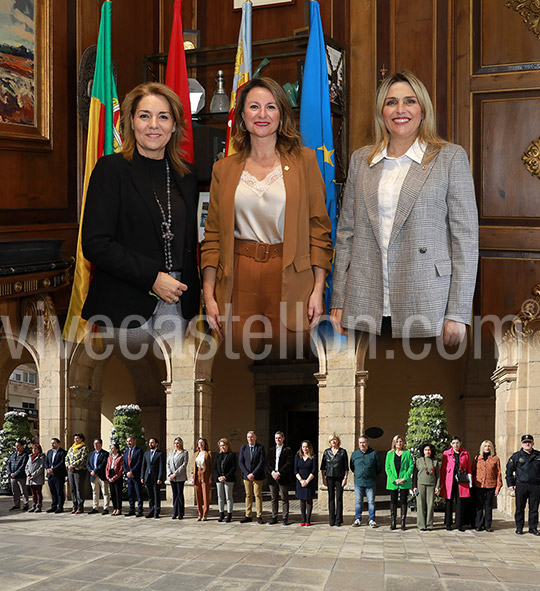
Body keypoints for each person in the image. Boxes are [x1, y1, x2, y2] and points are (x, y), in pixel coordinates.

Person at [330, 70, 478, 344]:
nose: (400, 110)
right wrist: (338, 298)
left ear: (423, 109)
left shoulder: (449, 158)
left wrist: (458, 313)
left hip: (427, 300)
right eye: (391, 102)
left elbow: (465, 241)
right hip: (366, 302)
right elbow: (346, 234)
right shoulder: (362, 160)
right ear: (381, 111)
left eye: (410, 101)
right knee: (367, 385)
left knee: (422, 385)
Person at [201, 76, 333, 357]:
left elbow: (319, 231)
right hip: (237, 278)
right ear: (242, 116)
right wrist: (209, 294)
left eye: (270, 107)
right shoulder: (223, 169)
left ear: (282, 114)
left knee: (291, 363)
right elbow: (212, 236)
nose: (262, 115)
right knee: (236, 365)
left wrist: (317, 290)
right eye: (254, 107)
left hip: (291, 278)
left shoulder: (305, 161)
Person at [81, 82, 200, 344]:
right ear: (131, 123)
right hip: (126, 304)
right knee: (130, 385)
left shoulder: (187, 176)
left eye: (163, 117)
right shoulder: (111, 170)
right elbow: (95, 244)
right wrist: (152, 278)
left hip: (178, 303)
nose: (154, 125)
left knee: (175, 383)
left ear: (174, 126)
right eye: (144, 115)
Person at [506, 434, 540, 536]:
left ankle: (533, 528)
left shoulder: (538, 455)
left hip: (536, 485)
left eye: (529, 442)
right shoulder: (516, 456)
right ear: (522, 444)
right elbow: (509, 471)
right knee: (520, 507)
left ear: (533, 443)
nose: (527, 444)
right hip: (521, 485)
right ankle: (519, 527)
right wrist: (510, 484)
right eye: (525, 442)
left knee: (534, 509)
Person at [440, 436, 472, 531]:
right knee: (449, 502)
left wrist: (470, 482)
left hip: (461, 481)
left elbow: (468, 468)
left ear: (460, 443)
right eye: (453, 443)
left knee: (460, 502)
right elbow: (443, 469)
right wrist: (442, 482)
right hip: (449, 481)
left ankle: (459, 524)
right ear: (451, 444)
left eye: (457, 442)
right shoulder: (446, 454)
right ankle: (448, 523)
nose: (455, 445)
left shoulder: (465, 453)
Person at [350, 434, 383, 528]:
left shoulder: (374, 454)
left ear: (368, 443)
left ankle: (372, 519)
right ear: (358, 443)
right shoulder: (354, 454)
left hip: (370, 482)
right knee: (358, 501)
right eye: (360, 442)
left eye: (364, 442)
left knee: (371, 501)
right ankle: (358, 519)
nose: (362, 444)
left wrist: (372, 474)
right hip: (358, 481)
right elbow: (352, 467)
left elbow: (379, 467)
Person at [472, 439, 502, 532]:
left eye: (489, 446)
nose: (487, 448)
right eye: (485, 446)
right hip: (479, 485)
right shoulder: (477, 458)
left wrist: (498, 487)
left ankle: (487, 525)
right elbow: (473, 471)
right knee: (479, 506)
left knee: (488, 506)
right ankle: (478, 524)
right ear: (482, 447)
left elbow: (499, 473)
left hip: (491, 485)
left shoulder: (495, 459)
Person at [385, 435, 414, 530]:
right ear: (394, 442)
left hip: (403, 481)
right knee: (393, 501)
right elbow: (387, 468)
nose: (399, 443)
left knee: (403, 501)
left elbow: (411, 466)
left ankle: (403, 521)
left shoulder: (407, 453)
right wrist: (394, 479)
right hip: (393, 481)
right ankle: (393, 521)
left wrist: (404, 478)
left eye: (400, 441)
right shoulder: (389, 454)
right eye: (397, 441)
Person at [320, 433, 349, 527]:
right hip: (329, 477)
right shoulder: (326, 452)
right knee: (331, 498)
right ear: (329, 442)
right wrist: (323, 479)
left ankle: (338, 520)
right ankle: (331, 519)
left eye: (335, 439)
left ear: (338, 441)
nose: (333, 441)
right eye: (332, 440)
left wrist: (345, 478)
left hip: (339, 477)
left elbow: (346, 467)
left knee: (339, 498)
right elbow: (322, 467)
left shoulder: (342, 452)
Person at [265, 431, 293, 525]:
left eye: (279, 438)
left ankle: (285, 518)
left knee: (284, 498)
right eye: (276, 438)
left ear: (283, 438)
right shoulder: (271, 450)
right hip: (272, 478)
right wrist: (273, 472)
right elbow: (267, 464)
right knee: (274, 498)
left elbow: (288, 464)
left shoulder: (287, 450)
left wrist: (279, 473)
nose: (278, 439)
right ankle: (274, 517)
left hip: (283, 477)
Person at [239, 430, 266, 524]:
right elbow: (241, 462)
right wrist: (247, 473)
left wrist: (253, 473)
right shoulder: (243, 448)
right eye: (248, 437)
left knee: (258, 495)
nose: (250, 439)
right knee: (248, 495)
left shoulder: (260, 447)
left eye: (251, 437)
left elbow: (261, 462)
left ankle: (259, 515)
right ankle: (248, 515)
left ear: (255, 438)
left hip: (257, 476)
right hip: (247, 476)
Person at [412, 443, 440, 531]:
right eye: (425, 450)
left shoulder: (435, 462)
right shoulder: (418, 460)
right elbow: (415, 475)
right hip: (420, 485)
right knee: (420, 505)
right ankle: (421, 525)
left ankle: (429, 524)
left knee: (430, 505)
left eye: (429, 450)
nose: (427, 451)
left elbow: (438, 476)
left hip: (431, 485)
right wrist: (414, 486)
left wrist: (437, 486)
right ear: (423, 451)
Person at [141, 438, 166, 519]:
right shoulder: (146, 453)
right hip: (147, 477)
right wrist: (142, 477)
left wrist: (160, 478)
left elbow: (161, 467)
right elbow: (143, 466)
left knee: (156, 495)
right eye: (149, 442)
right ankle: (151, 511)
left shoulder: (160, 454)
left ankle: (157, 511)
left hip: (156, 478)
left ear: (156, 444)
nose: (150, 444)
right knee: (150, 496)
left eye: (152, 443)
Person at [294, 440, 317, 526]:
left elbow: (314, 470)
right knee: (302, 500)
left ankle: (308, 519)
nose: (305, 448)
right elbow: (295, 470)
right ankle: (303, 518)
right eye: (303, 447)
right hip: (300, 481)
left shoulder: (313, 457)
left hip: (309, 481)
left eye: (306, 447)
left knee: (309, 500)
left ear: (309, 447)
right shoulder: (298, 456)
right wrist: (301, 480)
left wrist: (307, 481)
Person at [213, 437, 236, 523]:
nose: (222, 447)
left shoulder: (232, 455)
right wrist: (219, 477)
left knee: (228, 497)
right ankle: (221, 514)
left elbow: (233, 468)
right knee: (220, 497)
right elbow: (214, 467)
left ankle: (229, 514)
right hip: (219, 479)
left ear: (227, 445)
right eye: (221, 446)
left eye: (224, 445)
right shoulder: (218, 455)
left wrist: (225, 477)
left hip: (228, 479)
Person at [65, 433, 88, 514]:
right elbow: (67, 458)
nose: (76, 440)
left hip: (79, 470)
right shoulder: (71, 448)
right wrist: (68, 465)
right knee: (72, 488)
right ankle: (74, 506)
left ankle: (80, 507)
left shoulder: (84, 448)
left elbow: (83, 459)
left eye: (77, 438)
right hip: (70, 471)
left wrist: (73, 465)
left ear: (81, 439)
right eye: (75, 438)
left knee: (79, 488)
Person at [86, 438, 110, 515]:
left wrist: (96, 471)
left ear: (101, 444)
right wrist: (91, 471)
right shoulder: (91, 454)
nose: (95, 445)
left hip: (101, 476)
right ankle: (95, 507)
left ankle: (106, 508)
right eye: (94, 443)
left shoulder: (105, 454)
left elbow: (103, 464)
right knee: (95, 492)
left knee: (105, 492)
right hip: (93, 476)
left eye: (97, 443)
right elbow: (88, 464)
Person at [167, 436, 189, 520]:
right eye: (175, 443)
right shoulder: (171, 453)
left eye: (178, 443)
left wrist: (175, 474)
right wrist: (169, 474)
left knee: (179, 495)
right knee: (174, 495)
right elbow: (168, 464)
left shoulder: (184, 453)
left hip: (180, 477)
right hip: (172, 477)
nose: (176, 445)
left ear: (181, 444)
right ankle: (174, 512)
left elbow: (184, 465)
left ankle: (180, 513)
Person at [192, 437, 213, 521]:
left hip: (205, 475)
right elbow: (193, 466)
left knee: (205, 495)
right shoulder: (196, 454)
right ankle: (199, 513)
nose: (200, 444)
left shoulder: (208, 453)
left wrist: (211, 476)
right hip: (197, 475)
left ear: (205, 444)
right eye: (199, 442)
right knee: (198, 495)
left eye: (202, 442)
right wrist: (193, 476)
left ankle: (205, 513)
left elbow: (211, 466)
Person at [123, 436, 144, 517]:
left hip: (136, 475)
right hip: (129, 476)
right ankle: (131, 509)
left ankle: (140, 510)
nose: (129, 443)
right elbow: (124, 463)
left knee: (138, 493)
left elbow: (139, 463)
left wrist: (132, 471)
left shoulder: (139, 451)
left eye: (130, 441)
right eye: (127, 441)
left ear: (134, 441)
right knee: (130, 493)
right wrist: (127, 472)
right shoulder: (126, 451)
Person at [45, 438, 67, 513]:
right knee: (53, 491)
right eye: (51, 443)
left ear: (58, 443)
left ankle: (60, 506)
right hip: (50, 475)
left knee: (59, 491)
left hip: (58, 475)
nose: (52, 444)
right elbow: (46, 462)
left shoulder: (63, 452)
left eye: (54, 443)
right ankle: (53, 506)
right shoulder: (49, 452)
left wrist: (53, 469)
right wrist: (48, 469)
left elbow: (62, 463)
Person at [7, 440, 29, 511]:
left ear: (22, 446)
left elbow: (23, 466)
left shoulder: (25, 455)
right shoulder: (13, 455)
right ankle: (17, 504)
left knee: (23, 491)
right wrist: (10, 473)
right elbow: (9, 464)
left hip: (21, 476)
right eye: (16, 446)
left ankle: (26, 504)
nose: (17, 447)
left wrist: (15, 473)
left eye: (18, 446)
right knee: (15, 491)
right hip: (12, 476)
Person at [25, 443, 45, 513]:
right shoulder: (30, 456)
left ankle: (39, 506)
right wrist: (28, 475)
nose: (33, 450)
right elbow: (27, 467)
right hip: (30, 478)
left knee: (38, 492)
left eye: (35, 448)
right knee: (33, 493)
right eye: (33, 449)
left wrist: (33, 475)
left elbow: (41, 468)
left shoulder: (41, 457)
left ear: (39, 450)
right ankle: (34, 505)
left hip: (37, 477)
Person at [106, 442, 123, 516]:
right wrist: (108, 477)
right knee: (112, 494)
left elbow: (121, 469)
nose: (111, 450)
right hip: (110, 475)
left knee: (117, 493)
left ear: (117, 450)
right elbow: (107, 468)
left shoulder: (120, 457)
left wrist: (115, 477)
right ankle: (114, 508)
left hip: (117, 477)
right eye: (111, 448)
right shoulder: (109, 458)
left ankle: (119, 509)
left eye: (113, 448)